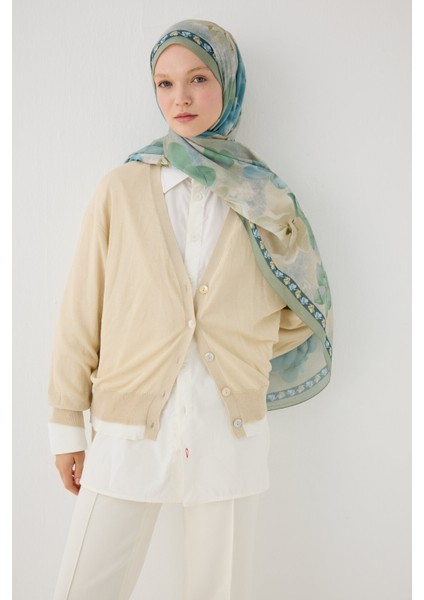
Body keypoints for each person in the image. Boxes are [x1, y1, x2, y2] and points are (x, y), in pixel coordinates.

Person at [48, 18, 333, 600]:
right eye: (165, 83)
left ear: (228, 83)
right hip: (126, 428)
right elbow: (82, 309)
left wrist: (242, 348)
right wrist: (66, 424)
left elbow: (300, 309)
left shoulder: (265, 199)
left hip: (229, 431)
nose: (180, 97)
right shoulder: (121, 189)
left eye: (199, 79)